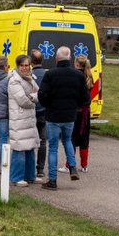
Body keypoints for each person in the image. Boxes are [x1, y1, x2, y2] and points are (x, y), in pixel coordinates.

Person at [37, 46, 88, 189]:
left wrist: (48, 105)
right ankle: (72, 166)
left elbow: (42, 95)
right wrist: (76, 106)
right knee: (67, 141)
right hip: (70, 115)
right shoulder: (78, 75)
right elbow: (86, 98)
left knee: (53, 147)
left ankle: (52, 180)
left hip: (53, 115)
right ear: (70, 58)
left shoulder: (50, 74)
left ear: (56, 58)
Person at [7, 54, 40, 186]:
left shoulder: (31, 77)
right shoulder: (14, 80)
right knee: (19, 148)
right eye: (22, 65)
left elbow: (38, 93)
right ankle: (16, 177)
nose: (25, 68)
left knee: (30, 148)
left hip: (29, 118)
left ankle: (30, 176)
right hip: (19, 118)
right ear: (17, 66)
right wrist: (33, 99)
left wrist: (31, 97)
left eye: (27, 65)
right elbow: (22, 100)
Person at [71, 54, 94, 172]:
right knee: (84, 138)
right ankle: (84, 165)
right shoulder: (89, 76)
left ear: (76, 63)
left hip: (76, 110)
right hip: (85, 112)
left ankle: (69, 164)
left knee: (72, 138)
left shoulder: (75, 76)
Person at [30, 49, 48, 179]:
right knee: (42, 141)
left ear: (31, 62)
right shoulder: (47, 75)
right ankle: (40, 169)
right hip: (44, 112)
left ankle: (30, 169)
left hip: (31, 111)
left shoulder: (29, 75)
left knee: (29, 141)